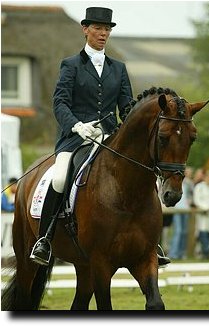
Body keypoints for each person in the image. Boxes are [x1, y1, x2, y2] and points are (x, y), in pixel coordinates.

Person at [30, 7, 170, 267]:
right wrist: (76, 126)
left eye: (107, 29)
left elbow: (126, 107)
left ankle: (152, 241)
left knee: (138, 173)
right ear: (85, 29)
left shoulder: (118, 68)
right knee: (59, 177)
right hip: (75, 138)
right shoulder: (70, 65)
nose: (103, 33)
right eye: (98, 28)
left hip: (109, 138)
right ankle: (45, 239)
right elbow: (60, 102)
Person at [169, 167, 193, 260]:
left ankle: (181, 253)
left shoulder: (189, 183)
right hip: (177, 209)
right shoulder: (176, 181)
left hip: (186, 209)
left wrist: (190, 201)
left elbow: (191, 195)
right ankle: (173, 253)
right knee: (178, 231)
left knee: (184, 232)